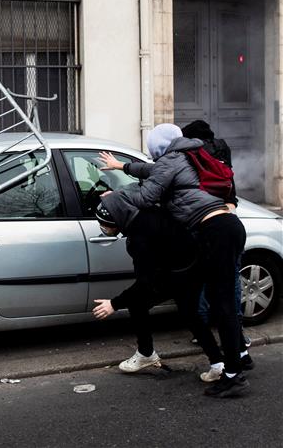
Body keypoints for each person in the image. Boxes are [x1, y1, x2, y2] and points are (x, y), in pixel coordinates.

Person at [99, 123, 249, 397]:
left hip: (216, 231)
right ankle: (232, 363)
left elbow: (146, 195)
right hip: (220, 229)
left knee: (224, 305)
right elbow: (149, 171)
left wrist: (115, 199)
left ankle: (233, 374)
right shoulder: (182, 156)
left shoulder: (171, 161)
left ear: (158, 147)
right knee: (213, 301)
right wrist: (121, 166)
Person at [91, 199, 224, 376]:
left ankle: (146, 353)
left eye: (104, 224)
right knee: (191, 316)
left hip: (177, 273)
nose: (103, 228)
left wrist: (114, 304)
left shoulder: (139, 238)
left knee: (140, 303)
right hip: (190, 265)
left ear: (117, 221)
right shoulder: (142, 215)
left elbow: (145, 283)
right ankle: (217, 364)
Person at [181, 120, 251, 354]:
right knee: (231, 280)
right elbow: (231, 191)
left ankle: (205, 329)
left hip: (205, 224)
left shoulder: (194, 156)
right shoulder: (220, 152)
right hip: (229, 221)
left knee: (202, 279)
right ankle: (238, 335)